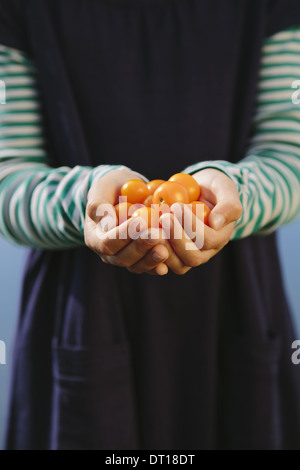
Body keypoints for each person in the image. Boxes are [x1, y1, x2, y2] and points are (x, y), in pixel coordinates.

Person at [0, 0, 300, 450]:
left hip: (235, 306)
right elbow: (9, 177)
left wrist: (235, 194)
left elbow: (289, 155)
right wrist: (85, 200)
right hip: (77, 314)